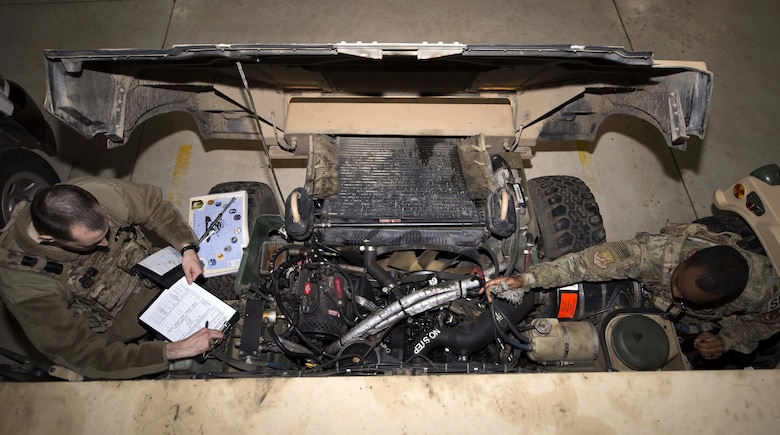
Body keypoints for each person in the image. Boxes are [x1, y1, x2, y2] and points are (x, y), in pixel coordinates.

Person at [0, 177, 225, 379]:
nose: (106, 244)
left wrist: (186, 247)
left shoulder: (99, 193)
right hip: (126, 325)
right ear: (49, 239)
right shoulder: (25, 284)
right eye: (93, 243)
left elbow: (154, 207)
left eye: (106, 232)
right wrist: (176, 350)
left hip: (162, 273)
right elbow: (85, 356)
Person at [483, 223, 780, 361]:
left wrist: (726, 340)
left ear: (724, 300)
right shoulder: (648, 255)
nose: (676, 292)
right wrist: (526, 280)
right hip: (649, 284)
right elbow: (579, 266)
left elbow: (762, 325)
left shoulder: (765, 293)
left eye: (687, 296)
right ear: (688, 258)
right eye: (677, 282)